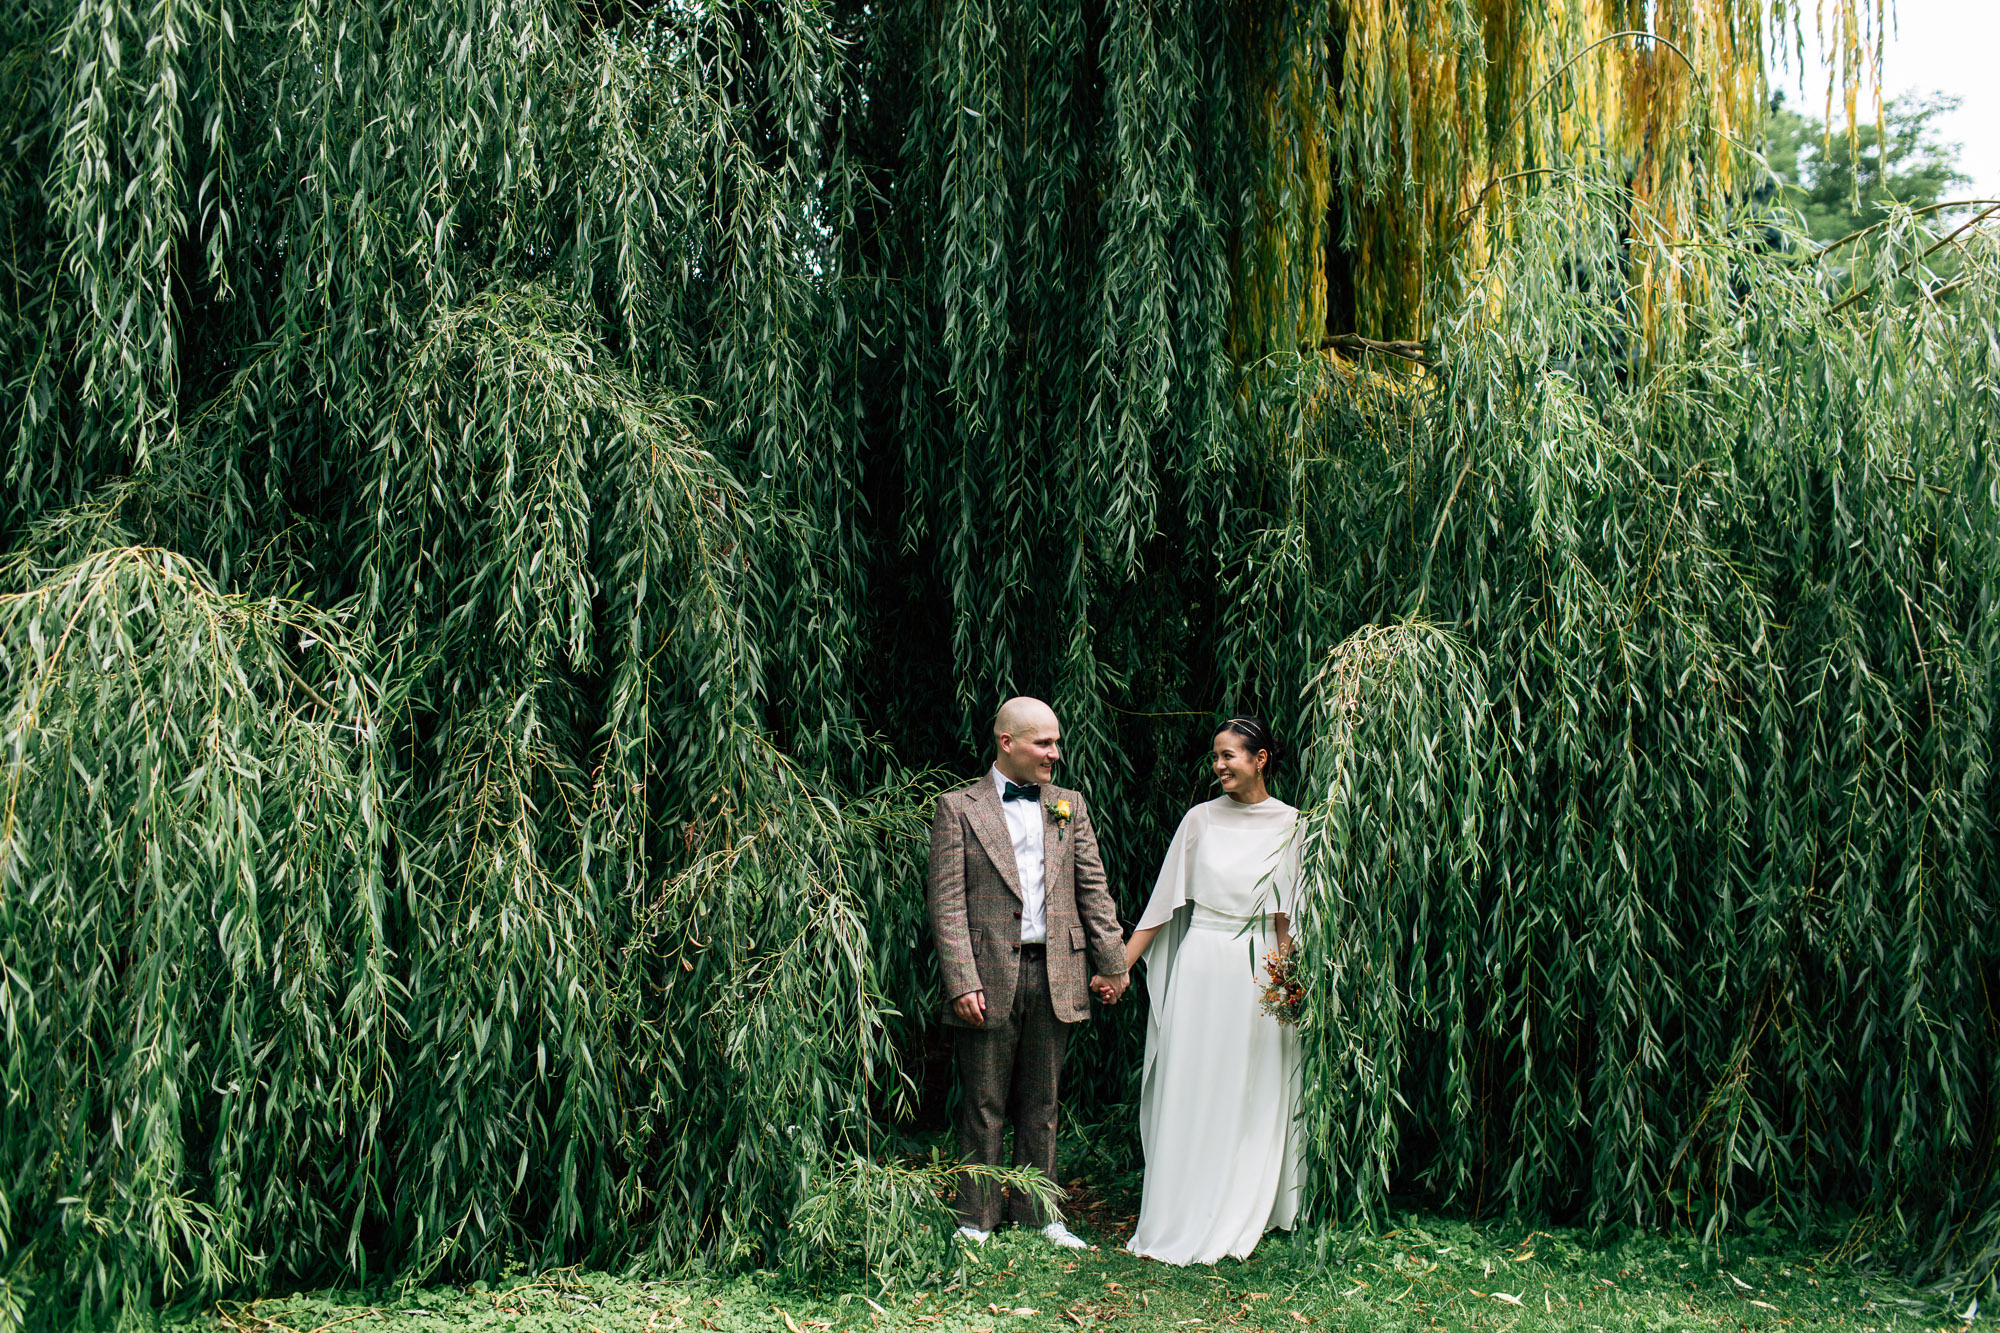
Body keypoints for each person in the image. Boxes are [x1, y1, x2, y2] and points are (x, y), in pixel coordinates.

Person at [928, 696, 1131, 1248]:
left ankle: (1040, 1214)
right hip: (988, 973)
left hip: (1056, 971)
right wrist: (961, 979)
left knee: (1043, 1102)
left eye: (1057, 742)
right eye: (1044, 743)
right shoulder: (958, 808)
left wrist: (1113, 964)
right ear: (1007, 743)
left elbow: (1092, 887)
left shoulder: (1069, 805)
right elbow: (947, 905)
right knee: (984, 1102)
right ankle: (976, 1217)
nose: (1055, 754)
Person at [1123, 715, 1303, 1266]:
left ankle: (1243, 1194)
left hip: (1254, 973)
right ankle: (1181, 1200)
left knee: (1248, 1082)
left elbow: (1284, 917)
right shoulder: (1199, 820)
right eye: (1217, 755)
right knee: (1193, 1075)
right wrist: (1120, 967)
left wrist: (1288, 983)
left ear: (1260, 759)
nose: (1219, 765)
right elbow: (1163, 904)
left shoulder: (1293, 825)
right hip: (1202, 960)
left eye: (1230, 755)